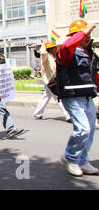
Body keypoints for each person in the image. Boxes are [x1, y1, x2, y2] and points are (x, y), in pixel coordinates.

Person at [57, 19, 98, 176]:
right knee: (83, 129)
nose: (87, 37)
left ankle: (82, 160)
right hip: (73, 97)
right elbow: (68, 45)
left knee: (90, 130)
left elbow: (94, 75)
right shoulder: (67, 49)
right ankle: (70, 158)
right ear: (74, 35)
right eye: (83, 35)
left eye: (88, 35)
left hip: (87, 97)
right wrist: (84, 31)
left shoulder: (89, 53)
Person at [33, 40, 70, 122]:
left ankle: (37, 113)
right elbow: (42, 53)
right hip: (51, 82)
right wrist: (43, 44)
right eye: (54, 48)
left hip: (53, 81)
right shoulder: (46, 56)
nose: (56, 49)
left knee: (45, 97)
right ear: (50, 49)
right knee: (58, 98)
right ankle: (68, 115)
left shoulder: (54, 56)